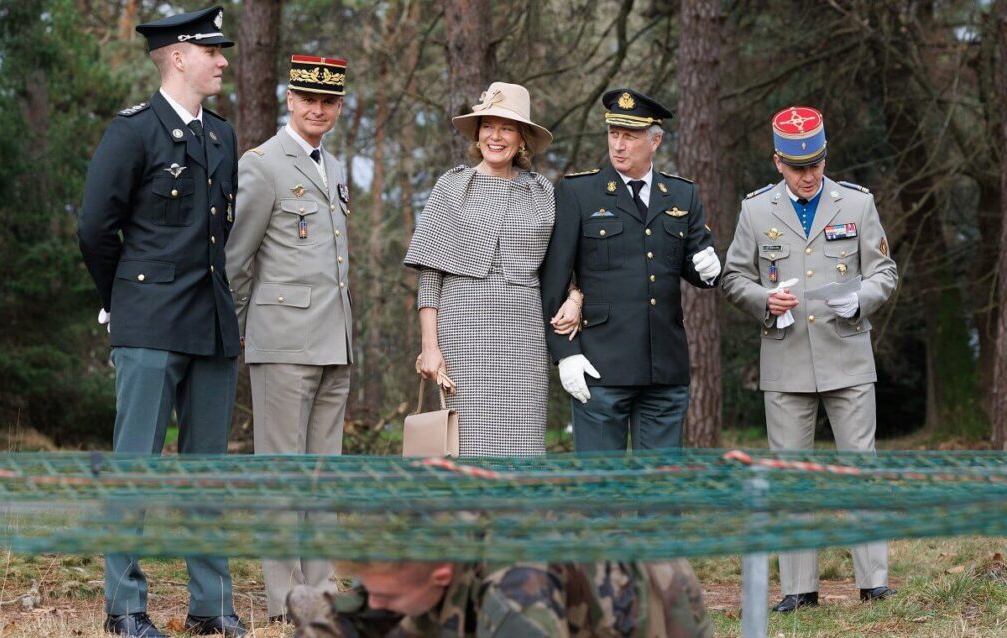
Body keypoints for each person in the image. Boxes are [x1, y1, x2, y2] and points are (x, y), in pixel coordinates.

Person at [76, 6, 245, 637]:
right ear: (178, 55)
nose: (222, 60)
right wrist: (119, 298)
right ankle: (125, 608)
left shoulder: (222, 136)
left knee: (209, 474)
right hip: (148, 323)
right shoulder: (133, 132)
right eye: (212, 50)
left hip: (211, 326)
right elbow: (95, 226)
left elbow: (216, 233)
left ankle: (213, 606)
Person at [720, 106, 898, 612]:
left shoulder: (857, 204)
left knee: (859, 469)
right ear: (778, 162)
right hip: (787, 358)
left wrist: (861, 297)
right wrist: (763, 301)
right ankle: (799, 588)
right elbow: (734, 278)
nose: (808, 175)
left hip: (847, 352)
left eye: (816, 164)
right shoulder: (755, 211)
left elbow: (885, 271)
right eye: (798, 167)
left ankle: (873, 581)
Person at [224, 54, 352, 623]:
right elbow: (236, 260)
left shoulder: (334, 165)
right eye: (308, 99)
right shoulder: (263, 165)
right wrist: (254, 328)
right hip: (282, 340)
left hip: (333, 341)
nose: (317, 109)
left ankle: (319, 592)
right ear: (290, 100)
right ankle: (283, 600)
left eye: (328, 101)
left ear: (339, 106)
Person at [539, 89, 721, 452]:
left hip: (664, 369)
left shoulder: (681, 195)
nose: (619, 145)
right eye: (614, 134)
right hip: (600, 366)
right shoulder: (580, 193)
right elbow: (553, 281)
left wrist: (712, 268)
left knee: (660, 490)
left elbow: (694, 268)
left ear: (655, 141)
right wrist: (565, 353)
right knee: (601, 491)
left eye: (631, 136)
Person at [405, 82, 578, 457]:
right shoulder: (452, 186)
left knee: (522, 445)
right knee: (462, 443)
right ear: (478, 133)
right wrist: (429, 348)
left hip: (524, 335)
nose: (495, 136)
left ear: (522, 139)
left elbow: (569, 263)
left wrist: (576, 298)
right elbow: (430, 275)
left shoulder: (543, 192)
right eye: (488, 126)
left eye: (507, 128)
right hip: (462, 333)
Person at [285, 559, 713, 637]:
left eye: (383, 595)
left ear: (442, 574)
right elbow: (369, 605)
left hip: (659, 609)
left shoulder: (517, 601)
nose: (372, 602)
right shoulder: (412, 561)